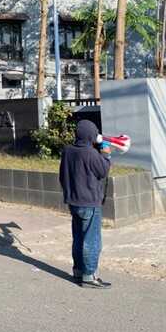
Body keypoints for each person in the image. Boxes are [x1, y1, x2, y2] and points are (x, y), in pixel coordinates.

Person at [59, 120, 112, 289]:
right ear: (91, 135)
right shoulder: (91, 153)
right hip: (89, 202)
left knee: (78, 238)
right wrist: (106, 155)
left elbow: (62, 175)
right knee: (92, 240)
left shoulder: (68, 151)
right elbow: (103, 171)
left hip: (73, 201)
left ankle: (78, 271)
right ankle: (89, 276)